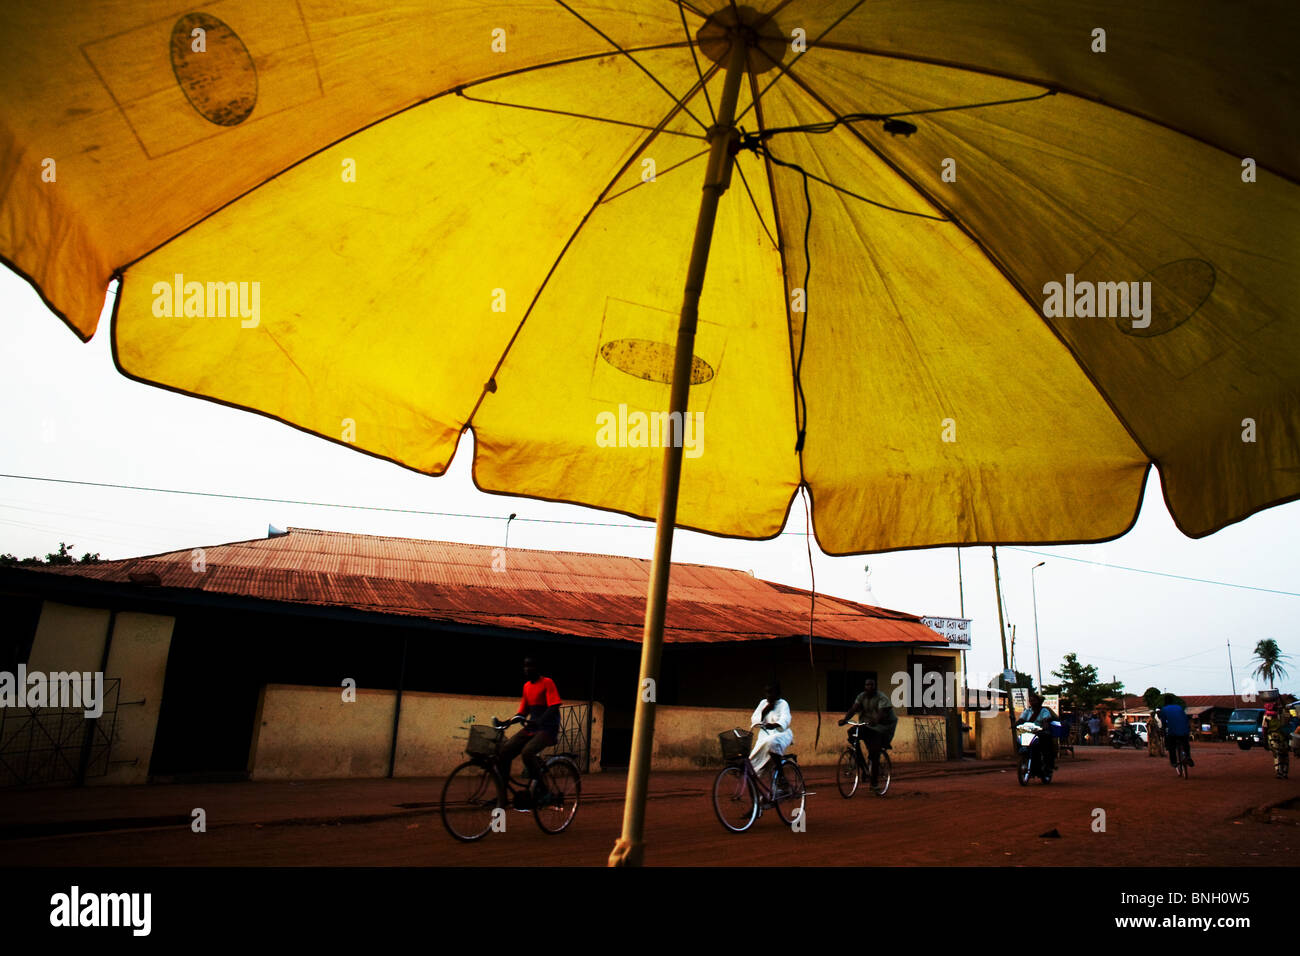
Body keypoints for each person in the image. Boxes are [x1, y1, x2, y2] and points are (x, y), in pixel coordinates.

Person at [497, 656, 562, 800]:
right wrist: (506, 722)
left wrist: (539, 721)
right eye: (525, 666)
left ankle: (544, 791)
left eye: (530, 666)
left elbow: (554, 706)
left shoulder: (547, 683)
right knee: (504, 751)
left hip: (547, 729)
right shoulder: (526, 686)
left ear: (537, 668)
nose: (527, 669)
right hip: (532, 728)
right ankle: (502, 795)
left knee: (527, 753)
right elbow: (522, 713)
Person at [839, 676, 897, 788]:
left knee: (874, 753)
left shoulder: (882, 698)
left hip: (882, 728)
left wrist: (875, 720)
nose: (869, 687)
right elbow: (854, 708)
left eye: (871, 685)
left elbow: (882, 713)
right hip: (867, 725)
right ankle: (863, 767)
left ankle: (874, 783)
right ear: (864, 687)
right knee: (852, 733)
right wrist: (845, 719)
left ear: (875, 687)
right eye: (867, 685)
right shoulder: (861, 696)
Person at [749, 682, 793, 782]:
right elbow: (754, 719)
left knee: (772, 742)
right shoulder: (763, 703)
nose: (769, 695)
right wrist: (765, 711)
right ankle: (760, 796)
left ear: (778, 694)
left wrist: (774, 725)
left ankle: (781, 775)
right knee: (752, 765)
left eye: (771, 693)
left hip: (781, 735)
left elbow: (785, 720)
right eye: (767, 693)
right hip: (764, 736)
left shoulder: (783, 704)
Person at [1017, 693, 1058, 772]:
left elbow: (1046, 718)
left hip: (1040, 732)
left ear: (1038, 701)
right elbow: (1022, 719)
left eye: (1034, 700)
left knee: (1045, 746)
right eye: (1031, 701)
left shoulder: (1044, 710)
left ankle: (1047, 764)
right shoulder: (1027, 711)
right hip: (1028, 733)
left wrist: (1045, 724)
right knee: (1019, 741)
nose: (1032, 702)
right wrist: (1017, 723)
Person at [1158, 695, 1193, 769]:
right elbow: (1185, 718)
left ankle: (1173, 761)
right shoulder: (1179, 707)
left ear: (1165, 702)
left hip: (1173, 731)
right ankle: (1188, 756)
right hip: (1184, 729)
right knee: (1186, 744)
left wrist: (1164, 732)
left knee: (1172, 746)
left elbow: (1163, 723)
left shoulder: (1164, 709)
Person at [1264, 701, 1290, 779]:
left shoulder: (1267, 717)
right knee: (1285, 755)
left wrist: (1265, 739)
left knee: (1277, 755)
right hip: (1282, 737)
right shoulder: (1281, 716)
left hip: (1272, 737)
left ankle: (1279, 772)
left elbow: (1264, 729)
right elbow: (1288, 718)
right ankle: (1284, 772)